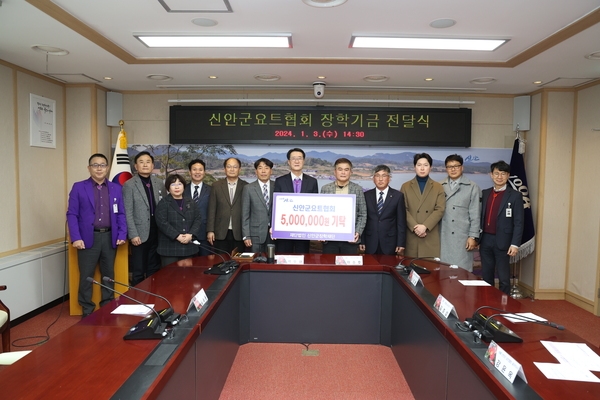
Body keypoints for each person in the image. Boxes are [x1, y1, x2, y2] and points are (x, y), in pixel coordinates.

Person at [66, 153, 127, 317]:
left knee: (109, 275)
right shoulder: (79, 187)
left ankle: (107, 307)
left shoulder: (116, 188)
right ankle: (87, 310)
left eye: (102, 165)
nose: (99, 168)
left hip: (109, 237)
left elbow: (121, 213)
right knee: (86, 276)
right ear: (89, 168)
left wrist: (122, 233)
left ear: (107, 168)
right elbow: (72, 214)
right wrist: (76, 237)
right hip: (86, 239)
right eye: (95, 165)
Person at [480, 160, 524, 294]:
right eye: (496, 173)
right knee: (486, 277)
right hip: (485, 240)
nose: (499, 177)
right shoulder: (485, 192)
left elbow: (519, 222)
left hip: (503, 241)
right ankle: (487, 303)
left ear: (508, 176)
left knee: (504, 279)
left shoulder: (515, 195)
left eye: (503, 174)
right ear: (491, 175)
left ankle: (504, 306)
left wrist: (515, 244)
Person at [122, 151, 163, 285]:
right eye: (141, 162)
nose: (145, 165)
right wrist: (133, 234)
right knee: (138, 270)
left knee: (154, 268)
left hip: (156, 232)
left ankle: (153, 296)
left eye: (148, 162)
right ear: (135, 166)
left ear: (152, 165)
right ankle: (137, 300)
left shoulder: (159, 183)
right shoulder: (129, 185)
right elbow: (127, 211)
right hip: (139, 234)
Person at [439, 154, 481, 272]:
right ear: (446, 169)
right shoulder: (439, 186)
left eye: (456, 166)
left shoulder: (472, 187)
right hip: (443, 236)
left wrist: (473, 236)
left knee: (462, 273)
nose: (453, 169)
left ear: (462, 167)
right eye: (449, 167)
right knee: (443, 273)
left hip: (462, 237)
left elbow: (475, 214)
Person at [400, 153, 446, 258]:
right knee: (411, 270)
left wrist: (425, 226)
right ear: (414, 167)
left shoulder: (438, 187)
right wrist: (415, 227)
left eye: (425, 165)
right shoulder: (406, 186)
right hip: (412, 234)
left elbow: (440, 209)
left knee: (430, 270)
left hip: (429, 233)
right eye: (419, 165)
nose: (422, 168)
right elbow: (403, 210)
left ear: (430, 167)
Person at [273, 148, 318, 253]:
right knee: (283, 260)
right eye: (293, 159)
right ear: (288, 162)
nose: (297, 161)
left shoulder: (312, 182)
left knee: (302, 261)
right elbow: (275, 206)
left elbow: (315, 206)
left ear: (304, 161)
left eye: (299, 158)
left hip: (304, 229)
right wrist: (274, 227)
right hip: (284, 229)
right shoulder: (280, 181)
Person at [320, 158, 367, 254]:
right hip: (330, 239)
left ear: (351, 172)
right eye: (340, 169)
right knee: (329, 266)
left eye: (346, 170)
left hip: (350, 239)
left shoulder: (357, 189)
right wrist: (321, 232)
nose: (343, 172)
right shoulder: (326, 189)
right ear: (335, 172)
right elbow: (321, 213)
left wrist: (357, 232)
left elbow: (362, 214)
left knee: (348, 268)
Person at [155, 174, 202, 267]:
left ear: (184, 186)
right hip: (170, 248)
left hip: (189, 247)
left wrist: (191, 235)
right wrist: (177, 236)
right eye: (173, 184)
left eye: (179, 184)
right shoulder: (163, 203)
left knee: (188, 278)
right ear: (168, 188)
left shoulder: (191, 202)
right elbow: (162, 222)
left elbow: (198, 219)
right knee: (171, 278)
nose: (177, 187)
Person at [360, 165, 406, 255]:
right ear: (373, 179)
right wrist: (362, 241)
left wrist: (401, 243)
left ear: (389, 178)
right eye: (377, 176)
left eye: (384, 176)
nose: (380, 179)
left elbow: (401, 222)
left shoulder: (398, 196)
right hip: (370, 241)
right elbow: (363, 219)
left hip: (390, 242)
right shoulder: (366, 195)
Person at [207, 157, 248, 254]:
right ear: (224, 169)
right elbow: (212, 209)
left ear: (240, 169)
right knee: (220, 262)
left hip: (239, 232)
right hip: (220, 232)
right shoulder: (216, 186)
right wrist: (210, 230)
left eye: (235, 167)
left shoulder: (246, 186)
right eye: (229, 167)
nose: (232, 169)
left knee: (238, 262)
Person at [242, 158, 275, 253]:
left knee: (272, 262)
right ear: (256, 171)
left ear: (271, 171)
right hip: (255, 235)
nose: (263, 171)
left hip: (274, 235)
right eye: (260, 168)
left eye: (266, 168)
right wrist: (246, 235)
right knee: (256, 262)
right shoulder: (248, 188)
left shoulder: (277, 186)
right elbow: (245, 214)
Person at [186, 159, 212, 256]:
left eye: (200, 170)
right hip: (186, 233)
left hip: (204, 233)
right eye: (194, 169)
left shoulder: (211, 190)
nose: (197, 172)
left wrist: (211, 230)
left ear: (204, 172)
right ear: (190, 172)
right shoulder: (182, 189)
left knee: (204, 264)